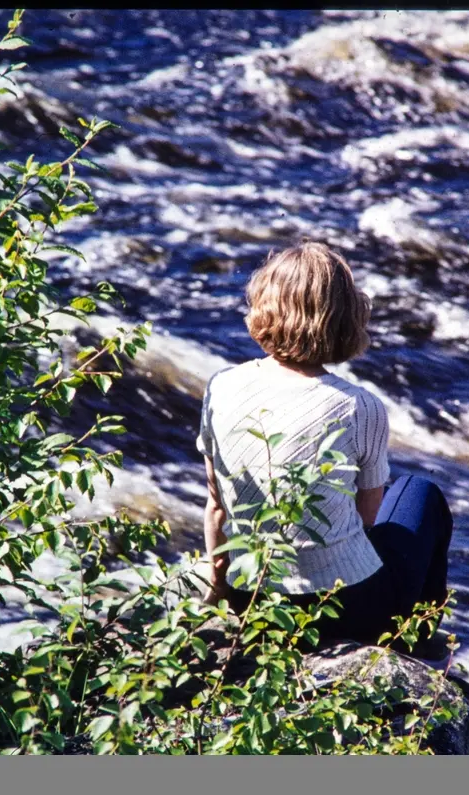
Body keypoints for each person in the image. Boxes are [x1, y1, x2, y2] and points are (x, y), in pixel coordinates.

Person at [194, 240, 454, 649]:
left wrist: (218, 590)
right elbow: (365, 522)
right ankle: (416, 641)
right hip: (341, 607)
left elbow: (216, 506)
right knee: (419, 492)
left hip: (253, 597)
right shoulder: (360, 406)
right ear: (345, 319)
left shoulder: (221, 386)